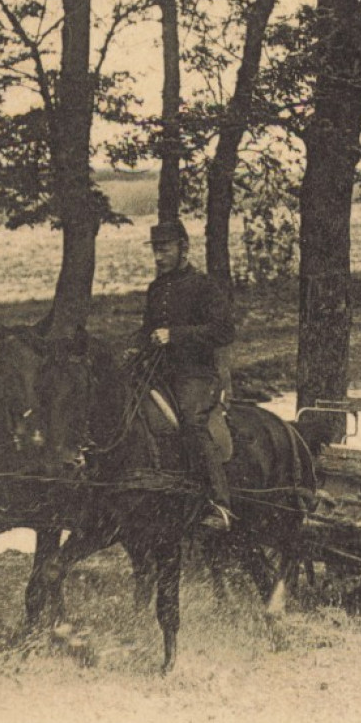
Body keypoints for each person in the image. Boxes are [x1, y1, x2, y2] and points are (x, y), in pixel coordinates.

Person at [132, 218, 236, 532]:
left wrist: (175, 335)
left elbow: (223, 331)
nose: (158, 257)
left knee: (192, 421)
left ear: (184, 248)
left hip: (197, 375)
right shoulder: (156, 288)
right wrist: (135, 349)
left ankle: (220, 504)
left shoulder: (204, 286)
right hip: (161, 372)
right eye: (155, 250)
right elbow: (149, 330)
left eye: (164, 250)